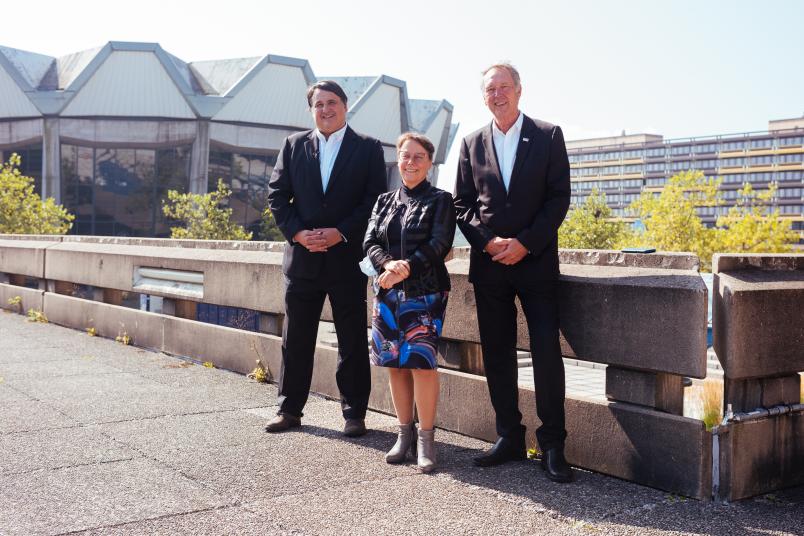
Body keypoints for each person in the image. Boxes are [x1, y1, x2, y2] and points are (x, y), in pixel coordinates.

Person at [453, 63, 573, 482]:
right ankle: (509, 436)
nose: (498, 94)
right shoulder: (470, 142)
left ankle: (553, 444)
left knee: (545, 353)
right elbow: (462, 205)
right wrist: (486, 242)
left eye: (505, 86)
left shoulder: (548, 135)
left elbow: (559, 198)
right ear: (483, 96)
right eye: (491, 88)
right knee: (498, 353)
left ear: (519, 90)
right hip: (489, 267)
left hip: (536, 262)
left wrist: (525, 242)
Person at [265, 80, 387, 437]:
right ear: (311, 110)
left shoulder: (367, 148)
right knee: (296, 336)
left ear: (345, 106)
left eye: (331, 103)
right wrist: (299, 234)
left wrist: (341, 232)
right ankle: (289, 409)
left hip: (346, 258)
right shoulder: (293, 145)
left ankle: (354, 413)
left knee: (351, 338)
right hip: (302, 258)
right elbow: (277, 195)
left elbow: (374, 201)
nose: (325, 110)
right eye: (318, 105)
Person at [363, 132, 456, 472]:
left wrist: (405, 269)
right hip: (387, 291)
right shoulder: (384, 200)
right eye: (405, 155)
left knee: (421, 363)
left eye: (418, 156)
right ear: (398, 159)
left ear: (430, 163)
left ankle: (427, 439)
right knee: (394, 363)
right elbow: (370, 241)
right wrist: (388, 265)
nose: (411, 162)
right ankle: (404, 434)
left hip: (425, 293)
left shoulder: (441, 199)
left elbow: (439, 243)